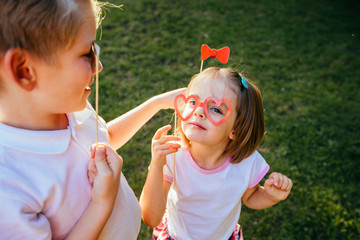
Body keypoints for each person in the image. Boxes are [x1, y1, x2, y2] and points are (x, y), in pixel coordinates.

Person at [0, 0, 185, 239]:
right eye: (87, 53)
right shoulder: (9, 186)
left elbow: (103, 136)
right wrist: (102, 203)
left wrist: (155, 103)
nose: (98, 66)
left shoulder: (66, 103)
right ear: (24, 70)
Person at [140, 67, 293, 240]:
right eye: (193, 102)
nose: (199, 111)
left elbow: (250, 197)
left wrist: (270, 196)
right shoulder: (173, 154)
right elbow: (150, 218)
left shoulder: (246, 162)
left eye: (216, 109)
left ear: (236, 130)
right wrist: (156, 166)